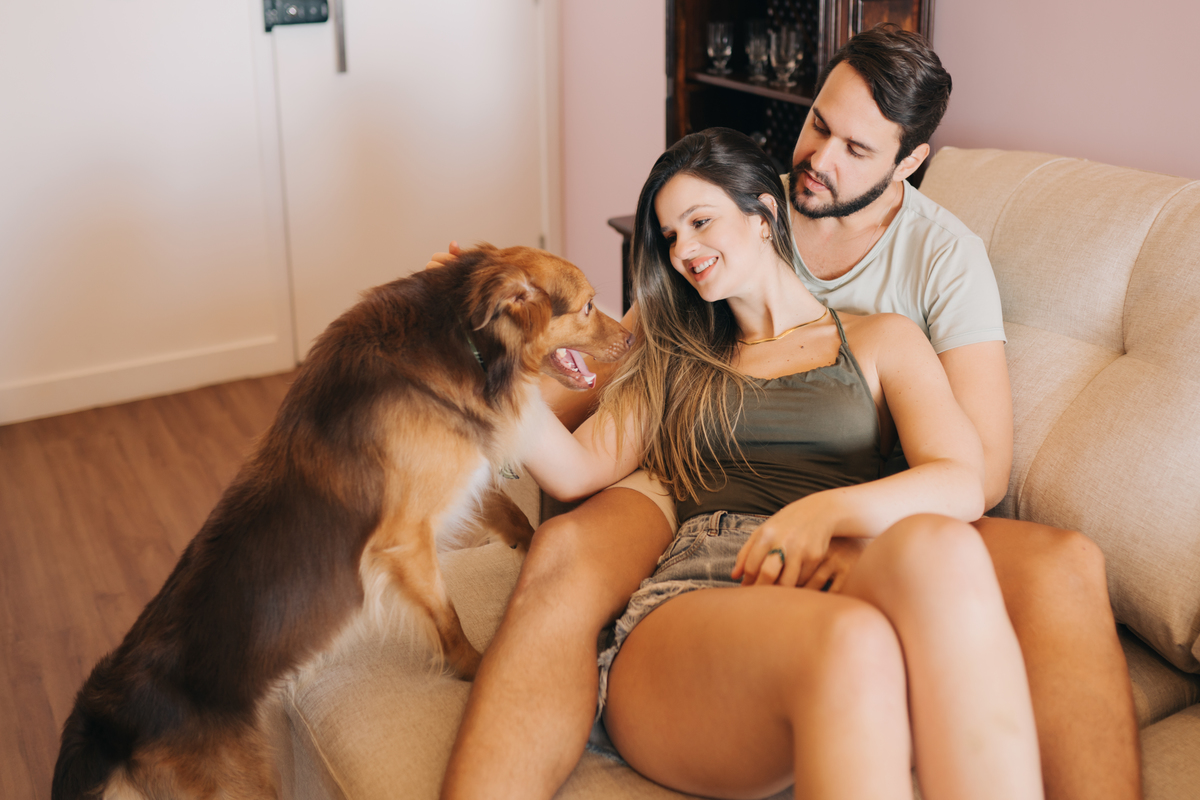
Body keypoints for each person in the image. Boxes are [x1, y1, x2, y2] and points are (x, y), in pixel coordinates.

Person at [441, 25, 1139, 800]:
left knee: (1039, 561)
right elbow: (598, 385)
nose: (820, 157)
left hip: (863, 504)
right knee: (572, 557)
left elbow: (974, 472)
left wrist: (834, 510)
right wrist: (492, 354)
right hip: (693, 490)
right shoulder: (722, 221)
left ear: (910, 162)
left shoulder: (930, 275)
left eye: (857, 149)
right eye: (817, 123)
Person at [524, 125, 1044, 799]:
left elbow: (962, 480)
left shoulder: (882, 338)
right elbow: (569, 469)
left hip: (832, 572)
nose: (684, 250)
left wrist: (825, 511)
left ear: (765, 214)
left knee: (943, 547)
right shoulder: (674, 356)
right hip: (696, 605)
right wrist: (479, 361)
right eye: (670, 237)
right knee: (850, 643)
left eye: (700, 221)